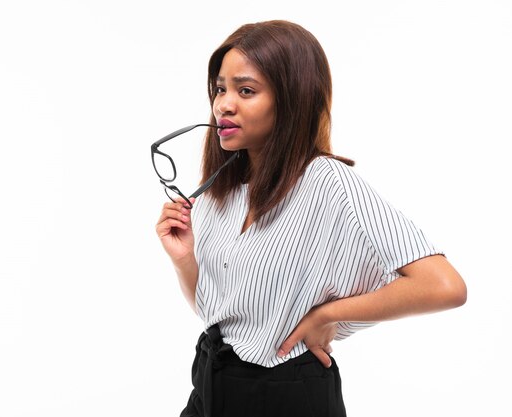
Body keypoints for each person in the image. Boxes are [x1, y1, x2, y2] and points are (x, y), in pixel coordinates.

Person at [153, 20, 467, 417]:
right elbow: (222, 311)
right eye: (220, 88)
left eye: (245, 90)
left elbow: (444, 285)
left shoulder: (327, 182)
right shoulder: (223, 189)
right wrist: (184, 259)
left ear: (291, 99)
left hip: (285, 395)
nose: (223, 105)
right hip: (212, 382)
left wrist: (328, 315)